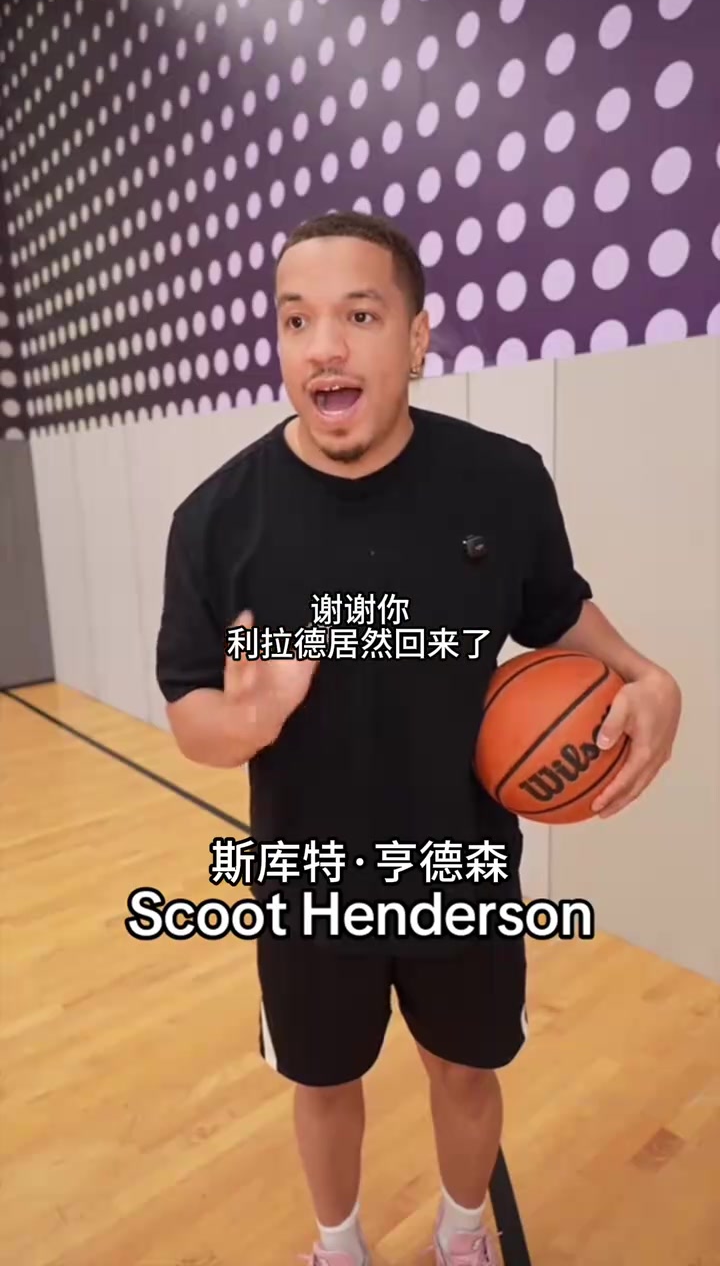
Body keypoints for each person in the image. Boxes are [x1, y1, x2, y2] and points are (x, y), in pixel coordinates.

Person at [155, 212, 681, 1266]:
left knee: (466, 1068)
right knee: (323, 1080)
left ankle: (462, 1231)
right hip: (308, 876)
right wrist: (252, 718)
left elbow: (559, 614)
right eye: (296, 320)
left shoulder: (503, 481)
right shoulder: (215, 520)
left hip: (461, 861)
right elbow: (190, 717)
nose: (324, 347)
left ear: (417, 336)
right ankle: (339, 1245)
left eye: (359, 315)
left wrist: (647, 676)